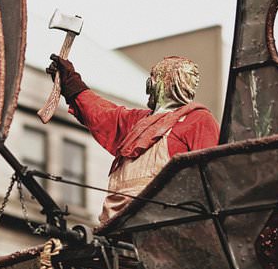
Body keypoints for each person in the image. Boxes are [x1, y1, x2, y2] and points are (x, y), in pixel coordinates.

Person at [47, 54, 219, 223]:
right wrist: (70, 81)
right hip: (117, 223)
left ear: (165, 82)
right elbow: (102, 113)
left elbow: (211, 180)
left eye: (153, 78)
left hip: (165, 222)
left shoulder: (199, 121)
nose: (148, 86)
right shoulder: (139, 122)